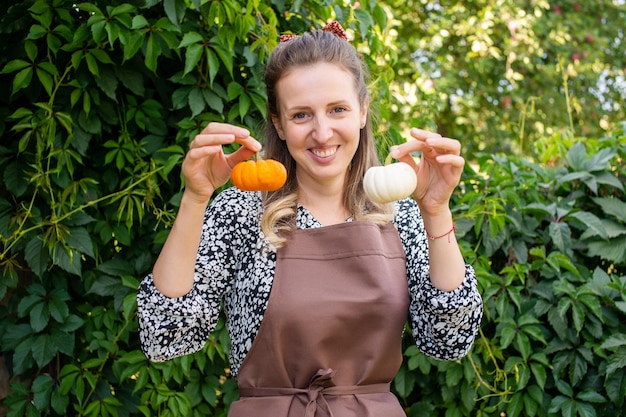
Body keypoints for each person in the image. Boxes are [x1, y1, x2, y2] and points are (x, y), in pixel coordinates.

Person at [137, 21, 483, 417]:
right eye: (301, 115)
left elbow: (449, 340)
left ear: (363, 110)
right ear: (279, 124)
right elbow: (166, 337)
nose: (322, 132)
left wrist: (436, 210)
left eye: (337, 109)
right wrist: (195, 198)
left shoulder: (400, 214)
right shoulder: (241, 212)